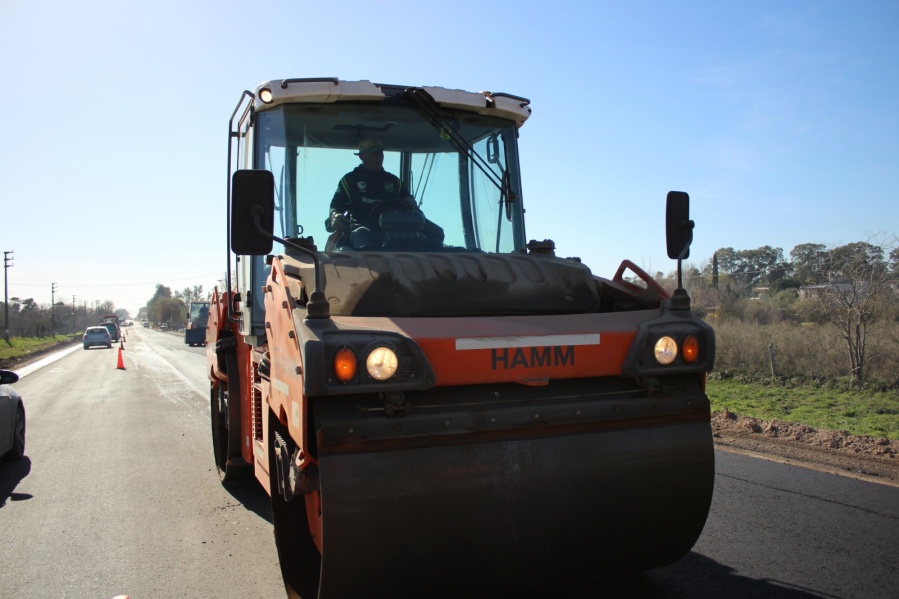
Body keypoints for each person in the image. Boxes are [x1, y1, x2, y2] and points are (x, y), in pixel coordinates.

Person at [326, 138, 443, 249]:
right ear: (361, 156)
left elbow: (411, 205)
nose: (377, 157)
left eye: (380, 153)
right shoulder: (349, 180)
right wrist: (335, 217)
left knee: (436, 232)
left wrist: (412, 205)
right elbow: (335, 207)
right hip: (364, 228)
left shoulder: (394, 181)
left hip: (398, 229)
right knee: (365, 240)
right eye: (372, 153)